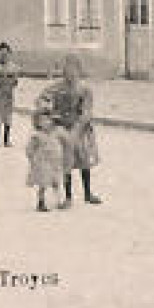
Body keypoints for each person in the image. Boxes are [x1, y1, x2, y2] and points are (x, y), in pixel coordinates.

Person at [39, 53, 102, 207]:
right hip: (61, 129)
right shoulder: (55, 87)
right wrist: (47, 111)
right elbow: (42, 101)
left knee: (84, 161)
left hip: (80, 131)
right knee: (66, 163)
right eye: (67, 69)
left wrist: (78, 128)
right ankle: (68, 197)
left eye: (74, 69)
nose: (70, 73)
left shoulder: (85, 89)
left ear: (79, 70)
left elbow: (87, 111)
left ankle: (87, 193)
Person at [24, 110, 66, 212]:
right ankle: (41, 202)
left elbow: (65, 140)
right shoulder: (37, 136)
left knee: (56, 182)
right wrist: (32, 159)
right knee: (43, 183)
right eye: (42, 121)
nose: (46, 123)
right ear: (37, 123)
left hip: (55, 161)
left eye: (48, 120)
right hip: (42, 162)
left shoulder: (56, 132)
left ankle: (59, 201)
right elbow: (29, 149)